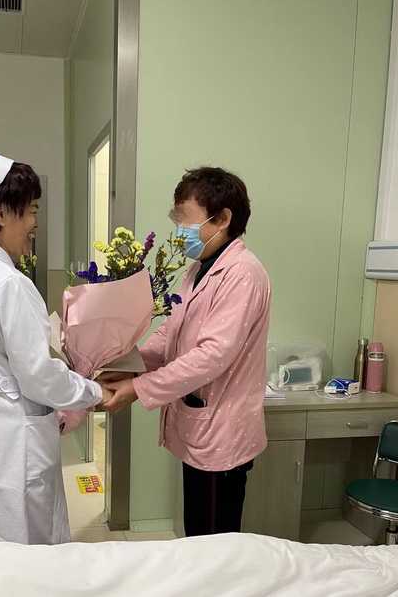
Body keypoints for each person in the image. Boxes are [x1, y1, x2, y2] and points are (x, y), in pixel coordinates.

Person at [0, 146, 112, 545]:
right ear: (1, 213)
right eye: (31, 210)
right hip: (7, 448)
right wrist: (94, 392)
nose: (35, 223)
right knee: (19, 552)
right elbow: (38, 375)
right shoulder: (8, 283)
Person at [100, 166, 271, 537]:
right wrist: (131, 367)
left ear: (222, 218)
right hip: (201, 429)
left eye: (185, 219)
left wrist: (139, 388)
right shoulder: (198, 269)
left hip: (222, 435)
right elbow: (171, 333)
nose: (179, 229)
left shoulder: (243, 273)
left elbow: (212, 355)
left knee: (213, 540)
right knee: (198, 532)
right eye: (176, 218)